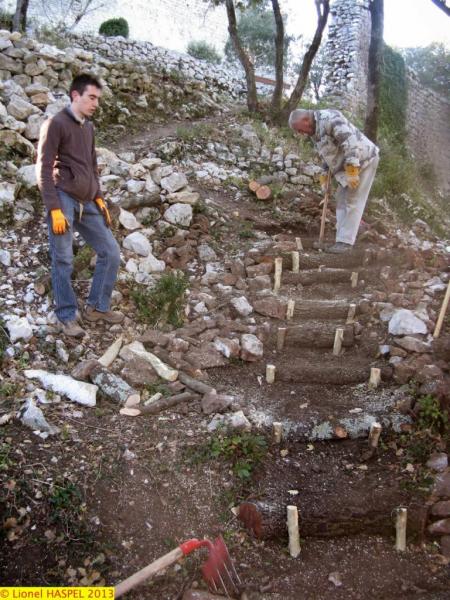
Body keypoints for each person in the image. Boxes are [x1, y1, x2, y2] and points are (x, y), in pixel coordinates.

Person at [36, 73, 123, 337]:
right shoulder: (55, 124)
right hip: (63, 197)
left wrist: (98, 195)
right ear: (76, 95)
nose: (96, 103)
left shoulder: (88, 127)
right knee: (63, 258)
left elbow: (91, 164)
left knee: (111, 252)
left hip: (87, 201)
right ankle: (66, 315)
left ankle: (97, 306)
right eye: (91, 97)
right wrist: (54, 208)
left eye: (98, 98)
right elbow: (43, 168)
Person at [289, 108, 379, 254]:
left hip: (364, 160)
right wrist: (324, 177)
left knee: (352, 200)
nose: (300, 133)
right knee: (341, 199)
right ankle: (341, 240)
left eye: (299, 129)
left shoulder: (330, 119)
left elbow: (350, 142)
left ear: (306, 120)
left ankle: (346, 242)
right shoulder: (315, 132)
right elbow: (327, 155)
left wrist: (352, 169)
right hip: (348, 164)